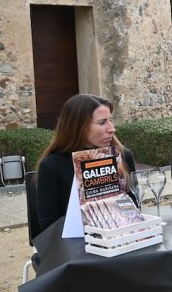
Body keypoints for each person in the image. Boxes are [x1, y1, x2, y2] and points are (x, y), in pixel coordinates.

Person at [36, 94, 136, 231]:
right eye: (102, 123)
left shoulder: (123, 156)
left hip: (123, 238)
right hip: (75, 246)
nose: (111, 128)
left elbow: (134, 207)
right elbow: (49, 225)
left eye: (111, 120)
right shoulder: (52, 166)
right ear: (78, 127)